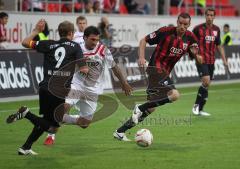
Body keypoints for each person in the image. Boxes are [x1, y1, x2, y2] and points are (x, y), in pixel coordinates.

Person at [113, 12, 203, 141]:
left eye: (185, 24)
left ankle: (120, 132)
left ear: (189, 25)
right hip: (155, 68)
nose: (182, 26)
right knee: (175, 95)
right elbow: (144, 40)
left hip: (165, 72)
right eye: (180, 23)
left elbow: (199, 60)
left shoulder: (190, 38)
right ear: (177, 22)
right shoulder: (165, 31)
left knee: (151, 108)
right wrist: (141, 57)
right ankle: (140, 107)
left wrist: (196, 55)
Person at [6, 19, 88, 155]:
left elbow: (25, 42)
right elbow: (84, 69)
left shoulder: (49, 44)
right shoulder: (75, 46)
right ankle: (27, 114)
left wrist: (36, 31)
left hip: (45, 88)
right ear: (71, 33)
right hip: (59, 91)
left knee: (45, 121)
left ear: (59, 33)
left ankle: (26, 147)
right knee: (53, 128)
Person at [61, 25, 132, 129]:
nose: (95, 42)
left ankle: (63, 118)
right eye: (92, 39)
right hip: (77, 85)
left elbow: (115, 68)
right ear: (84, 37)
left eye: (97, 40)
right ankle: (55, 120)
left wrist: (124, 83)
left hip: (92, 90)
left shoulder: (103, 50)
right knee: (65, 107)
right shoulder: (77, 49)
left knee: (84, 123)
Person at [43, 15, 88, 146]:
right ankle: (51, 135)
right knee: (63, 107)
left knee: (85, 124)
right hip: (75, 81)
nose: (82, 25)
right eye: (80, 23)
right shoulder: (72, 41)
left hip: (89, 85)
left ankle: (74, 119)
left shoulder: (94, 41)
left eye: (84, 23)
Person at [192, 8, 228, 116]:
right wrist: (195, 55)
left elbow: (218, 45)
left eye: (212, 15)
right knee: (206, 81)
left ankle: (201, 109)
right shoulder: (198, 29)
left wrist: (224, 60)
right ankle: (196, 106)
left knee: (207, 86)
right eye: (208, 15)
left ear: (214, 17)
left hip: (212, 61)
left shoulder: (216, 29)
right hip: (201, 60)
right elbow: (191, 43)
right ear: (205, 16)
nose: (209, 17)